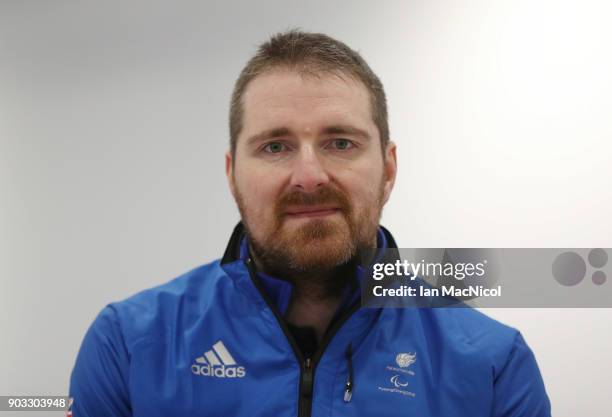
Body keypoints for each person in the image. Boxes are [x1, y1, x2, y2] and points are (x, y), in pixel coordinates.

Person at [69, 30, 551, 417]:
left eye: (340, 142)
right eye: (274, 146)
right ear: (232, 173)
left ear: (388, 169)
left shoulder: (493, 364)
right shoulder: (128, 345)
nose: (309, 176)